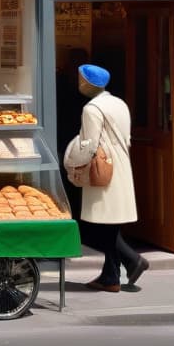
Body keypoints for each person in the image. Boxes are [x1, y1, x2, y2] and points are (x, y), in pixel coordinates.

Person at [62, 63, 149, 292]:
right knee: (110, 224)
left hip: (102, 171)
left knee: (99, 226)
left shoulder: (91, 109)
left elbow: (89, 145)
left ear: (88, 83)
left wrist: (72, 164)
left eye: (81, 78)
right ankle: (112, 274)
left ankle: (129, 262)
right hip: (120, 167)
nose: (78, 82)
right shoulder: (119, 103)